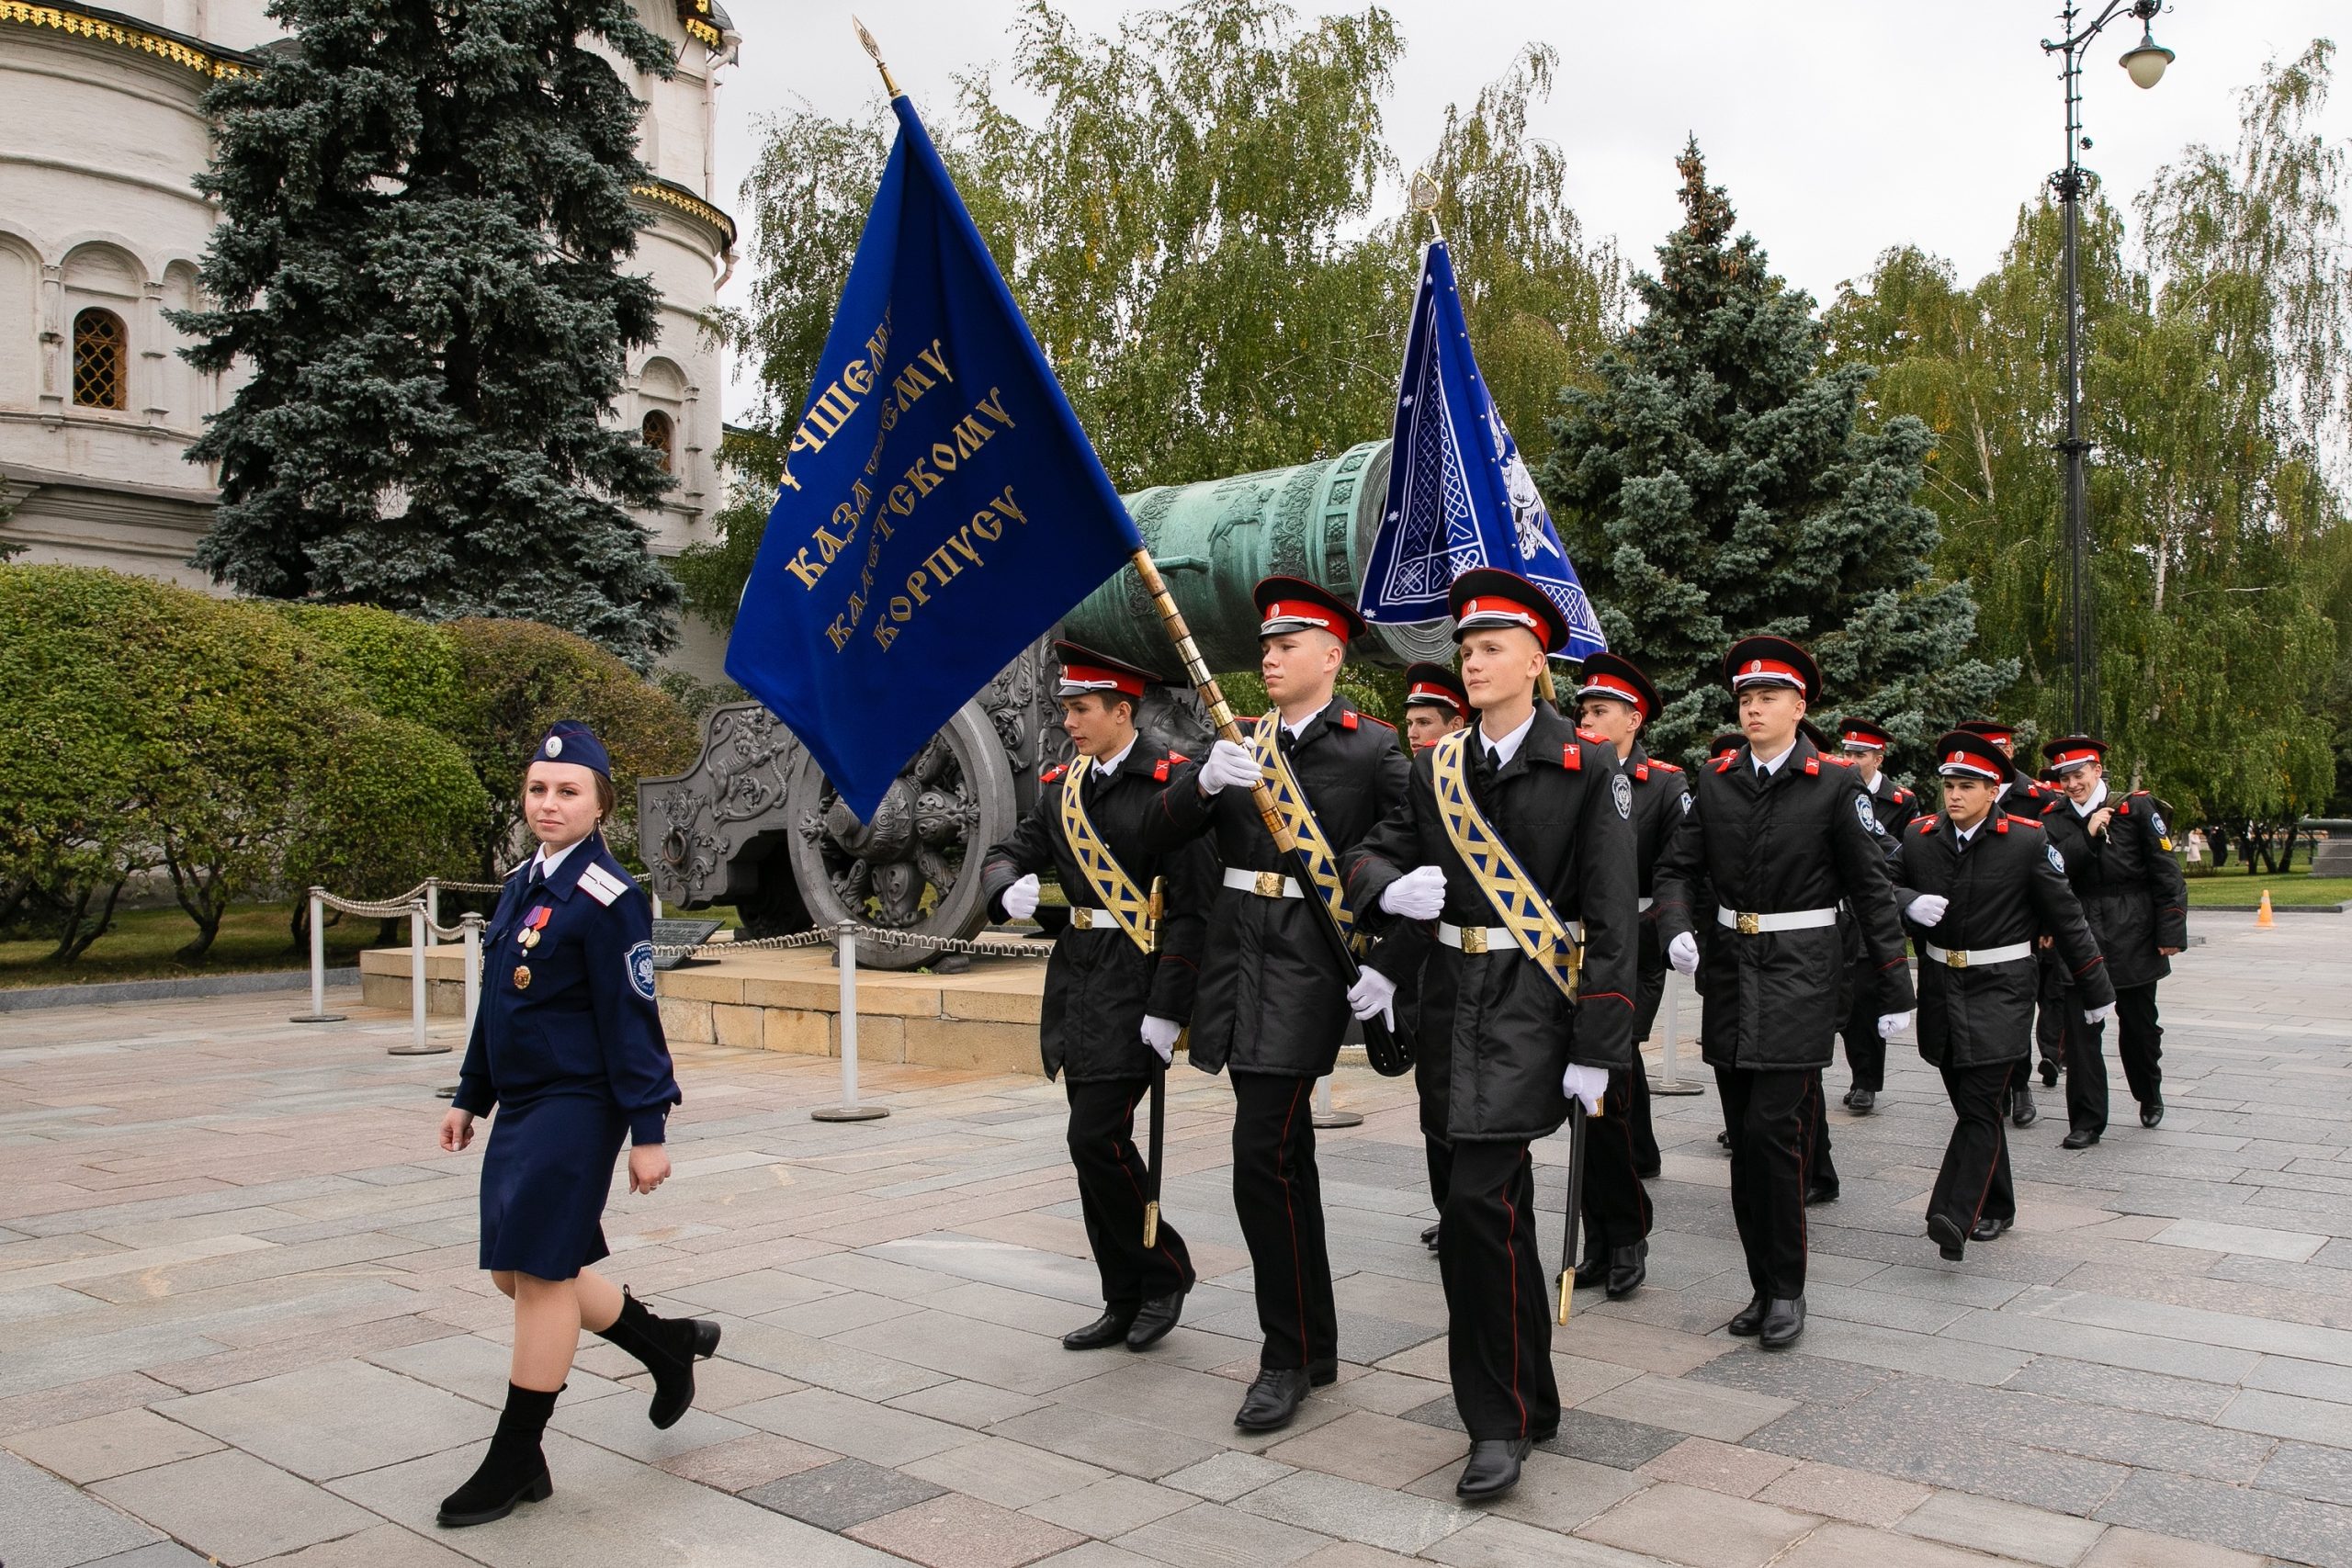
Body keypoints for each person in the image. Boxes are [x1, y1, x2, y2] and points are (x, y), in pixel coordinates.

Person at [1342, 569, 1636, 1500]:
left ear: (1535, 662)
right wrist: (1385, 892)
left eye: (1491, 648)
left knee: (1476, 1207)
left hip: (1532, 1008)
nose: (1472, 662)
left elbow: (1611, 923)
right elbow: (1374, 849)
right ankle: (1531, 1392)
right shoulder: (1435, 767)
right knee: (1490, 1215)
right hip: (1450, 1002)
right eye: (1465, 649)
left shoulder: (1587, 768)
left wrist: (1599, 1047)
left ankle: (1494, 1423)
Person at [1141, 576, 1419, 1434]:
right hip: (1235, 970)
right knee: (1285, 1164)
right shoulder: (1235, 743)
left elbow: (1415, 860)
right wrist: (1200, 785)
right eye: (1265, 645)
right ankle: (1316, 1342)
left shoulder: (1371, 751)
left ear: (1332, 655)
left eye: (1287, 644)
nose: (1268, 657)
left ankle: (1284, 1354)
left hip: (1308, 971)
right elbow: (1153, 836)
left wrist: (1394, 964)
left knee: (1259, 1159)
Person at [435, 722, 713, 1529]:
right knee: (513, 1275)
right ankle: (664, 1344)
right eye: (537, 789)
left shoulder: (608, 898)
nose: (548, 803)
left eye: (568, 791)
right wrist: (468, 1094)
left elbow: (633, 1018)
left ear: (601, 806)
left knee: (542, 1274)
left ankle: (517, 1455)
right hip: (522, 1103)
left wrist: (648, 1127)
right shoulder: (524, 881)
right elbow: (499, 1004)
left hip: (578, 1105)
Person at [1654, 638, 1914, 1349]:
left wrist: (1895, 985)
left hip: (1801, 975)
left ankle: (1788, 1289)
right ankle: (1761, 1283)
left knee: (1774, 1132)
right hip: (1733, 974)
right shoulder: (1716, 779)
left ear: (1800, 707)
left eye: (1768, 697)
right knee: (1746, 1139)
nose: (1754, 708)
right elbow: (1679, 867)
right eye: (1745, 698)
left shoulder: (1833, 784)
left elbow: (1870, 888)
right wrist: (1675, 924)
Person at [979, 643, 1216, 1354]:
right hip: (1078, 982)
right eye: (1065, 708)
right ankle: (1123, 1294)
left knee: (1095, 1138)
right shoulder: (1062, 787)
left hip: (1137, 982)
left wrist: (1169, 1005)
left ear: (1123, 711)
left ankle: (1165, 1268)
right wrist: (1003, 887)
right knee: (1091, 1150)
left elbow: (1193, 910)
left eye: (1082, 709)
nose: (1069, 721)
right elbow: (1007, 850)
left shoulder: (1170, 786)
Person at [1889, 731, 2114, 1261]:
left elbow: (2068, 918)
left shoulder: (2028, 840)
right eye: (1948, 785)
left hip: (2004, 989)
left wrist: (2096, 988)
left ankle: (1952, 1211)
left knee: (1980, 1101)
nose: (1954, 796)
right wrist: (1908, 900)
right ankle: (2000, 1205)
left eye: (1967, 786)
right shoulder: (1921, 837)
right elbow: (1876, 882)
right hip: (1944, 989)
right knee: (1976, 1107)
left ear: (1994, 791)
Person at [1568, 650, 1675, 1295]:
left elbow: (1672, 876)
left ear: (1632, 721)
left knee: (1612, 1093)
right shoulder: (1573, 774)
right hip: (1574, 949)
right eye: (1581, 710)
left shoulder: (1662, 785)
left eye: (1599, 711)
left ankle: (1627, 1234)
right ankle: (1598, 1237)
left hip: (1633, 953)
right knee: (1586, 1103)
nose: (1586, 719)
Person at [2040, 735, 2188, 1143]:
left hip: (2133, 930)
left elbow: (2166, 871)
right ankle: (2087, 1122)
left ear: (2097, 770)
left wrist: (2170, 929)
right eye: (2063, 777)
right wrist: (2086, 834)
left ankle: (2149, 1093)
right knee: (2082, 1033)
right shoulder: (2053, 817)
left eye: (2078, 774)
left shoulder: (2135, 808)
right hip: (2080, 931)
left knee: (2140, 1027)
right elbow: (2051, 873)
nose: (2071, 784)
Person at [1955, 719, 2061, 1130]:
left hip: (2027, 923)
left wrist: (2048, 922)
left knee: (2021, 1008)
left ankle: (2020, 1087)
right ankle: (1997, 1086)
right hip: (1983, 920)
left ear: (2010, 753)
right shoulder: (1963, 793)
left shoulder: (2038, 797)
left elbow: (2053, 868)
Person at [1399, 661, 1472, 1253]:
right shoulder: (1408, 780)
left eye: (1427, 722)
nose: (1415, 733)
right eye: (1410, 722)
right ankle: (1448, 1208)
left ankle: (1470, 1210)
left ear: (1457, 724)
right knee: (1433, 1096)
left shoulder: (1471, 780)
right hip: (1418, 958)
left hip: (1467, 954)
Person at [1830, 718, 1924, 1114]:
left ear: (1878, 758)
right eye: (1847, 752)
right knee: (1843, 999)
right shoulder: (1832, 787)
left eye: (1860, 754)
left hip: (1871, 903)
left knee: (1867, 997)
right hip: (1836, 906)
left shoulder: (1900, 801)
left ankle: (1866, 1080)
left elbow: (1902, 856)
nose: (1851, 760)